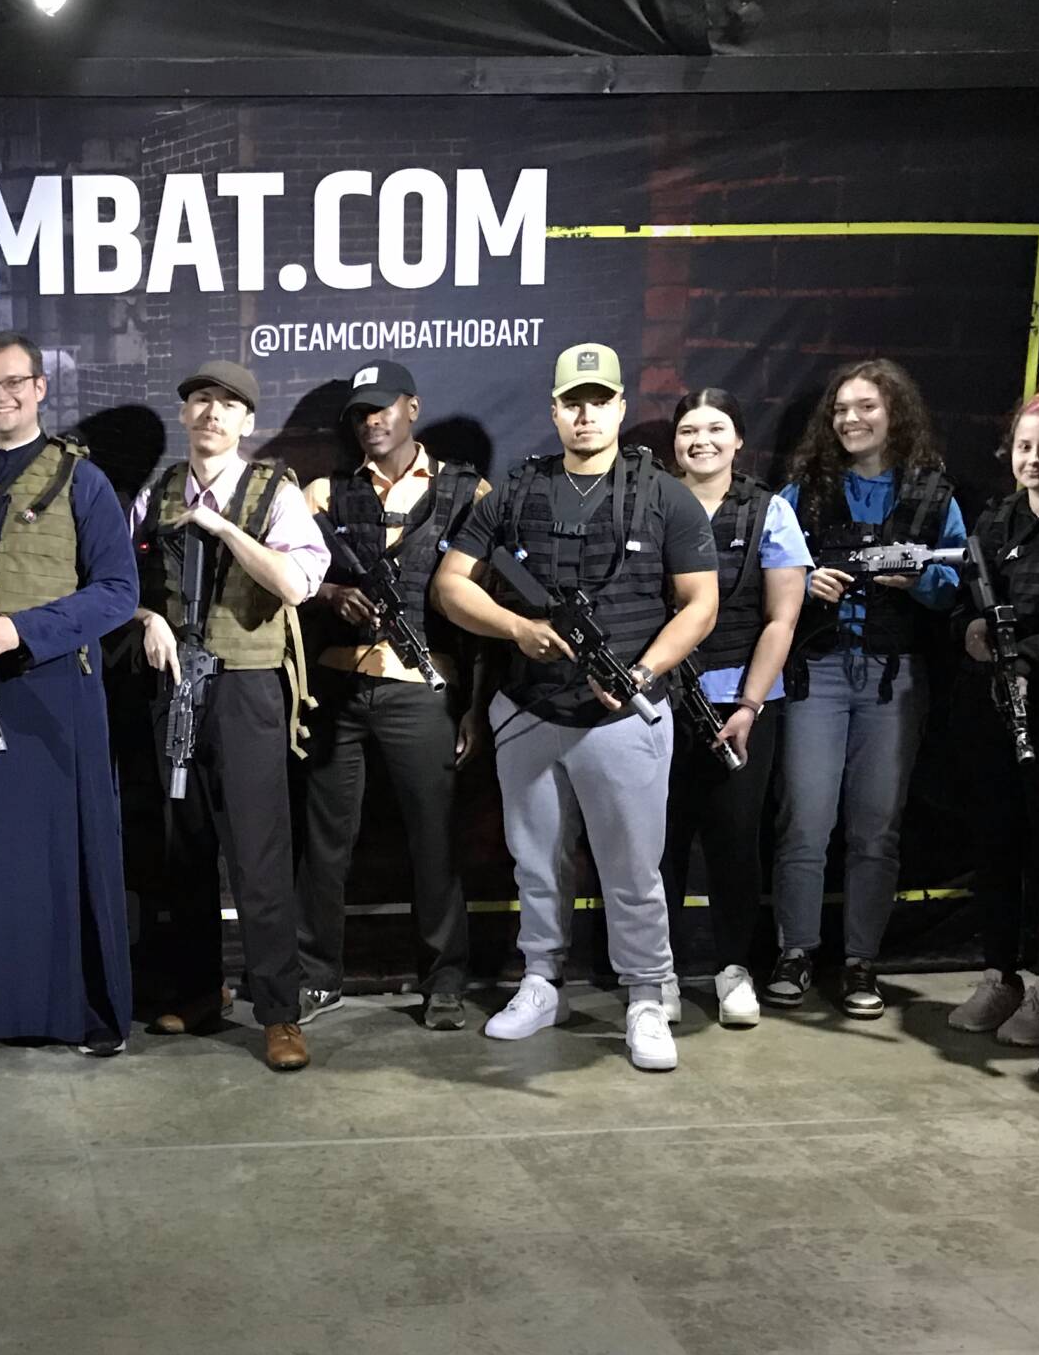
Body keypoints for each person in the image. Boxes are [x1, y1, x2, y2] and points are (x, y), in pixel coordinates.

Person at [434, 342, 719, 1072]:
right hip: (529, 708)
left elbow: (701, 604)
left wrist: (642, 673)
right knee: (535, 862)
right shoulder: (514, 493)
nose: (585, 413)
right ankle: (541, 982)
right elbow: (452, 586)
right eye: (572, 402)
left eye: (598, 400)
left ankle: (646, 994)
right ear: (554, 410)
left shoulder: (664, 495)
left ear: (621, 407)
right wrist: (516, 629)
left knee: (634, 870)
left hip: (624, 714)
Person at [0, 330, 139, 1052]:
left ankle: (82, 1015)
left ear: (40, 388)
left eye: (14, 382)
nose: (0, 396)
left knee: (54, 861)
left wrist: (23, 630)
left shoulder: (83, 480)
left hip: (51, 693)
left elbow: (117, 592)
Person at [131, 360, 325, 1071]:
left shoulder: (274, 493)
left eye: (229, 405)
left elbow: (297, 583)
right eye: (202, 401)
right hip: (175, 685)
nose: (212, 413)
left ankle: (278, 1012)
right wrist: (147, 617)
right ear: (185, 414)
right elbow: (119, 581)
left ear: (247, 421)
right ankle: (197, 993)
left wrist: (222, 527)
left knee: (258, 853)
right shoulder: (156, 495)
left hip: (246, 687)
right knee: (182, 849)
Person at [766, 359, 968, 1019]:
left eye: (866, 407)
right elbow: (769, 572)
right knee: (806, 820)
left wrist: (920, 581)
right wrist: (807, 583)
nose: (851, 419)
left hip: (894, 674)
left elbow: (957, 582)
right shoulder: (802, 492)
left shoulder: (932, 493)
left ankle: (861, 960)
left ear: (894, 413)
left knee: (877, 827)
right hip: (817, 671)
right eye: (841, 409)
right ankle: (796, 951)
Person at [295, 360, 477, 1032]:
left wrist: (475, 705)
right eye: (359, 414)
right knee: (323, 844)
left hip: (422, 688)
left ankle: (445, 982)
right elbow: (288, 575)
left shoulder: (465, 490)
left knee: (435, 841)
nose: (371, 422)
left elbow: (486, 604)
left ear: (412, 408)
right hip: (338, 683)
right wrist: (329, 593)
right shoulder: (324, 493)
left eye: (382, 408)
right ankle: (316, 978)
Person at [946, 381, 1039, 1048]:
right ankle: (999, 974)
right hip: (989, 709)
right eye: (1025, 447)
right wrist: (971, 631)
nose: (1034, 459)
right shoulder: (995, 519)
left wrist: (1026, 654)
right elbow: (966, 600)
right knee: (994, 845)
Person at [659, 389, 807, 1029]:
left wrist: (749, 705)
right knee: (658, 845)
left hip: (741, 707)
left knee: (735, 843)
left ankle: (733, 970)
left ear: (739, 438)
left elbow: (782, 619)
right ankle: (658, 973)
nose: (702, 441)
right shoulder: (651, 502)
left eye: (716, 428)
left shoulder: (771, 511)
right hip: (658, 701)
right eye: (689, 430)